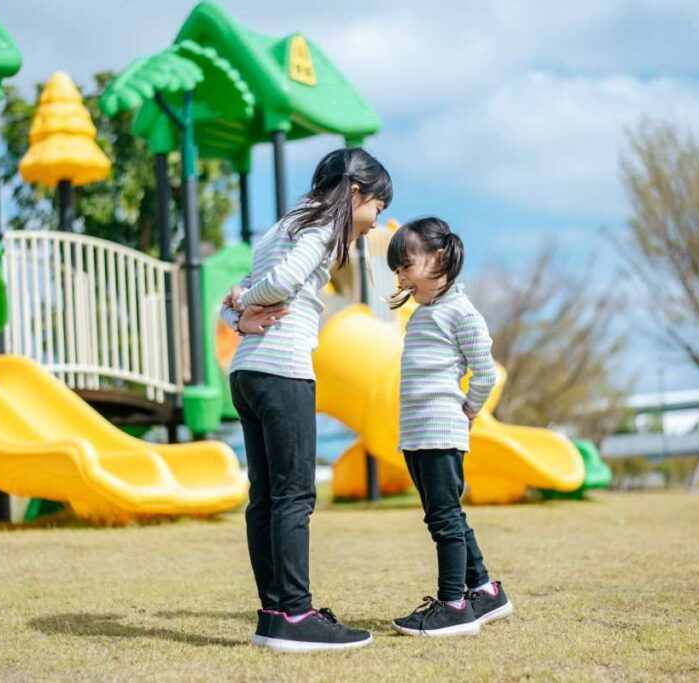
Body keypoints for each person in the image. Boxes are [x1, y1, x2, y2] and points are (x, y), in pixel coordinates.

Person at [220, 147, 392, 652]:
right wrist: (245, 303)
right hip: (283, 372)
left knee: (266, 497)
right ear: (355, 193)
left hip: (248, 371)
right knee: (294, 496)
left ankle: (274, 613)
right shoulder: (320, 231)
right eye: (375, 208)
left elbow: (244, 290)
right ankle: (295, 615)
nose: (373, 220)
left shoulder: (280, 227)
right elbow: (277, 284)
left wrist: (237, 314)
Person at [385, 217, 513, 637]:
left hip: (442, 431)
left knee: (444, 519)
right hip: (417, 433)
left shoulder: (461, 311)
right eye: (397, 268)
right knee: (445, 516)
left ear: (438, 258)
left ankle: (453, 605)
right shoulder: (422, 313)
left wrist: (470, 412)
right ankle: (485, 591)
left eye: (406, 264)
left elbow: (485, 374)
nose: (401, 274)